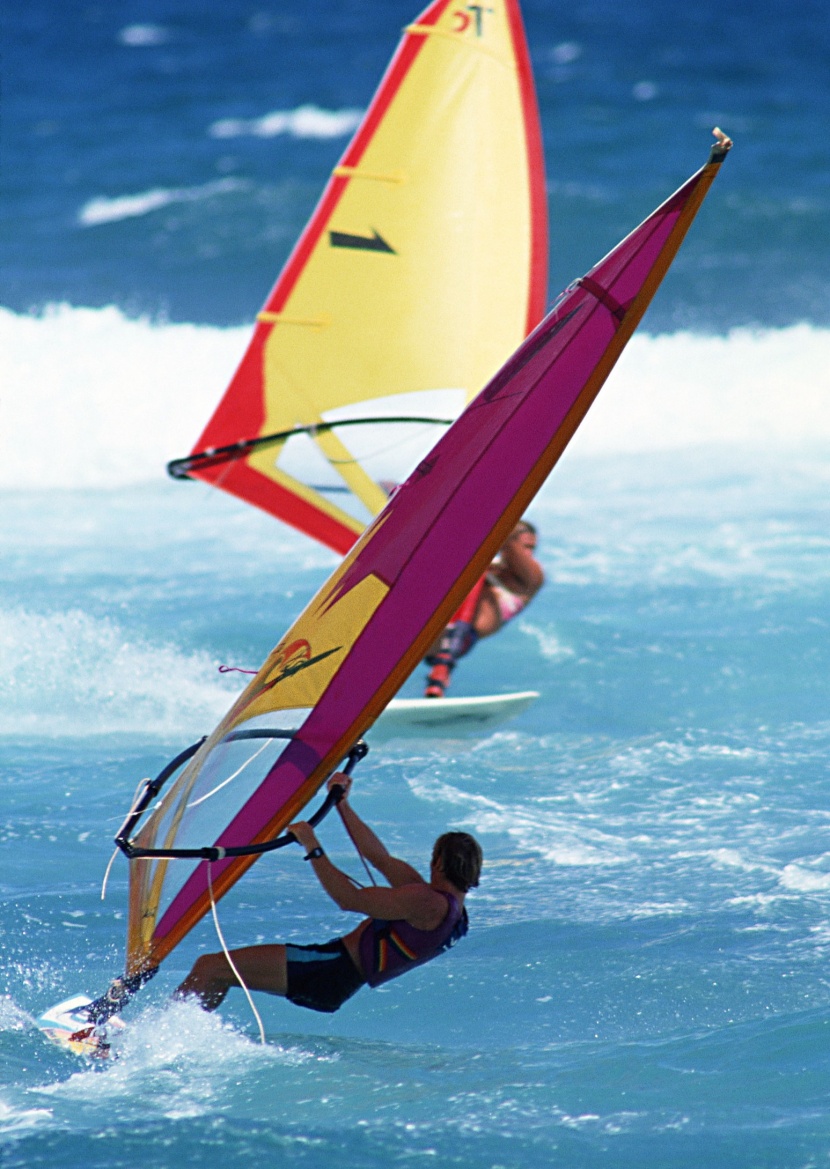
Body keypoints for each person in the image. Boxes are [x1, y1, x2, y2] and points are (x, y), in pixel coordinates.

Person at [174, 773, 483, 1014]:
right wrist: (343, 805)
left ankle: (154, 1038)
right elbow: (379, 858)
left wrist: (313, 846)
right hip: (336, 974)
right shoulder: (451, 911)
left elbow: (348, 899)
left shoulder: (427, 902)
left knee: (211, 966)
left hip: (329, 969)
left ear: (439, 863)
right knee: (218, 971)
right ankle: (177, 1036)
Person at [424, 519, 544, 698]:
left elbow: (508, 541)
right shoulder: (489, 564)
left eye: (531, 548)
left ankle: (439, 678)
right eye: (525, 546)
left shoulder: (532, 578)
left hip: (457, 640)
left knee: (474, 566)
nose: (528, 553)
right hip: (431, 623)